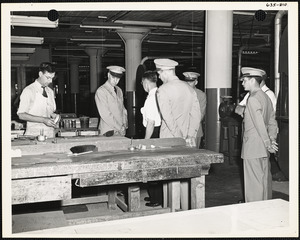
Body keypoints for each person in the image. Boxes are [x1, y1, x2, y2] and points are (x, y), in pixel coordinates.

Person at [155, 58, 201, 210]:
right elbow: (196, 115)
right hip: (188, 141)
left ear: (166, 71)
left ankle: (171, 211)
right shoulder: (189, 89)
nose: (159, 76)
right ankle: (186, 211)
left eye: (159, 72)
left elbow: (168, 118)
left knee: (169, 178)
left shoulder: (162, 90)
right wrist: (189, 136)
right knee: (184, 177)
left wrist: (179, 137)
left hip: (170, 140)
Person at [240, 67, 278, 203]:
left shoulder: (253, 99)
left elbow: (259, 124)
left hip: (253, 147)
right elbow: (272, 121)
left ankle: (253, 216)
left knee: (253, 186)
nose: (242, 83)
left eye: (244, 80)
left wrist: (268, 143)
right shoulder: (266, 97)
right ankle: (265, 212)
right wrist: (272, 139)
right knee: (264, 182)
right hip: (263, 148)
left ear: (252, 80)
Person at [17, 62, 59, 138]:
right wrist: (43, 120)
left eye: (52, 78)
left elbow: (50, 112)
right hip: (33, 136)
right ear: (40, 74)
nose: (51, 81)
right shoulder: (29, 90)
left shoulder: (50, 92)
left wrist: (55, 117)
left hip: (50, 135)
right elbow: (21, 115)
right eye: (48, 77)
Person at [140, 70, 162, 207]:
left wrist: (145, 141)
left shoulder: (150, 99)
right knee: (156, 165)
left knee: (152, 167)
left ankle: (156, 198)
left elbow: (151, 123)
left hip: (153, 133)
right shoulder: (159, 94)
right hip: (159, 133)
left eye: (142, 83)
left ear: (146, 82)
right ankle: (155, 195)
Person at [95, 66, 128, 136]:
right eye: (113, 77)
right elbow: (105, 114)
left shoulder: (119, 90)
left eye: (118, 78)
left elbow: (123, 109)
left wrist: (125, 125)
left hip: (120, 131)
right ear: (108, 75)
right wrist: (119, 127)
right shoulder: (101, 91)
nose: (115, 81)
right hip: (108, 131)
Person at [183, 71, 207, 148]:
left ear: (196, 82)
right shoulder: (181, 93)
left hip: (194, 131)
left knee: (193, 156)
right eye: (186, 81)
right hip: (181, 130)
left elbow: (200, 115)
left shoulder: (200, 95)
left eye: (191, 82)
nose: (188, 84)